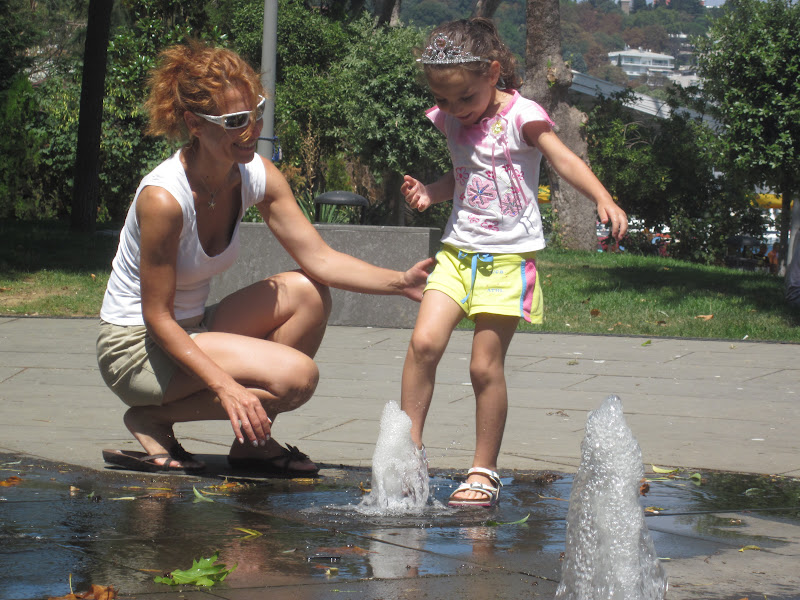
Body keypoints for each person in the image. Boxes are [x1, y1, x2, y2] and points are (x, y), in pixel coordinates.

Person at [97, 41, 434, 476]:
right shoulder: (164, 199)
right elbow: (158, 318)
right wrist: (228, 388)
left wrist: (399, 281)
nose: (250, 129)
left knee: (308, 291)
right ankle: (153, 417)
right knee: (297, 378)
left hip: (193, 328)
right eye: (234, 121)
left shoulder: (256, 174)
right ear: (194, 124)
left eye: (255, 114)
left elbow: (320, 259)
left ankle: (251, 444)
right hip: (136, 348)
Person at [400, 19, 627, 507]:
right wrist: (430, 192)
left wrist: (602, 198)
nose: (456, 111)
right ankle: (407, 451)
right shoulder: (450, 117)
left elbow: (564, 159)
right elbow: (464, 175)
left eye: (465, 99)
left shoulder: (523, 115)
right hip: (457, 253)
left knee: (484, 367)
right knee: (423, 344)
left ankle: (483, 469)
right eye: (445, 101)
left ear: (494, 73)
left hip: (507, 260)